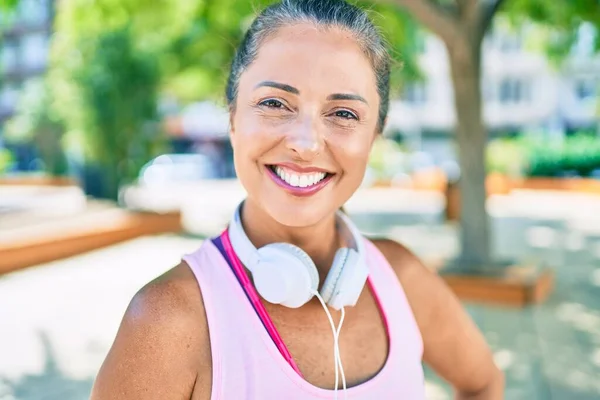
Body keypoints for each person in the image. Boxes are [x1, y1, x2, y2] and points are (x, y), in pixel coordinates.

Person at [90, 0, 504, 399]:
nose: (306, 144)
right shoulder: (168, 321)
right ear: (233, 117)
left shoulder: (402, 278)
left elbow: (482, 383)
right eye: (274, 103)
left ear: (375, 134)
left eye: (343, 113)